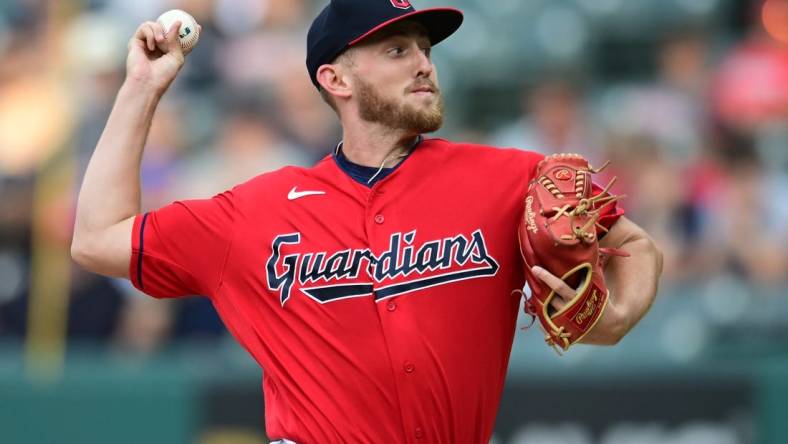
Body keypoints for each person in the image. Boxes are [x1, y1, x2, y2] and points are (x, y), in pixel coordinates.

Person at [71, 1, 663, 442]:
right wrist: (141, 89)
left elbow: (636, 245)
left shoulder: (507, 177)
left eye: (425, 49)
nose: (424, 64)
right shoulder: (254, 214)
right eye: (397, 50)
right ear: (335, 79)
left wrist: (614, 315)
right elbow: (97, 238)